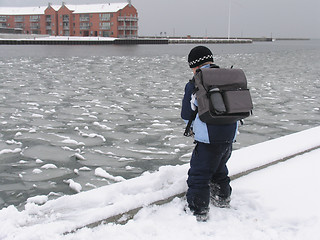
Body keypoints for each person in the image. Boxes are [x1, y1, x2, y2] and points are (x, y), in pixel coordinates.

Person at [181, 46, 238, 222]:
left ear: (194, 64)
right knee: (219, 169)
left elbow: (186, 114)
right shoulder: (226, 77)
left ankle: (198, 210)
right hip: (230, 134)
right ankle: (222, 199)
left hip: (208, 138)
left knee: (199, 174)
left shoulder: (196, 83)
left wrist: (192, 128)